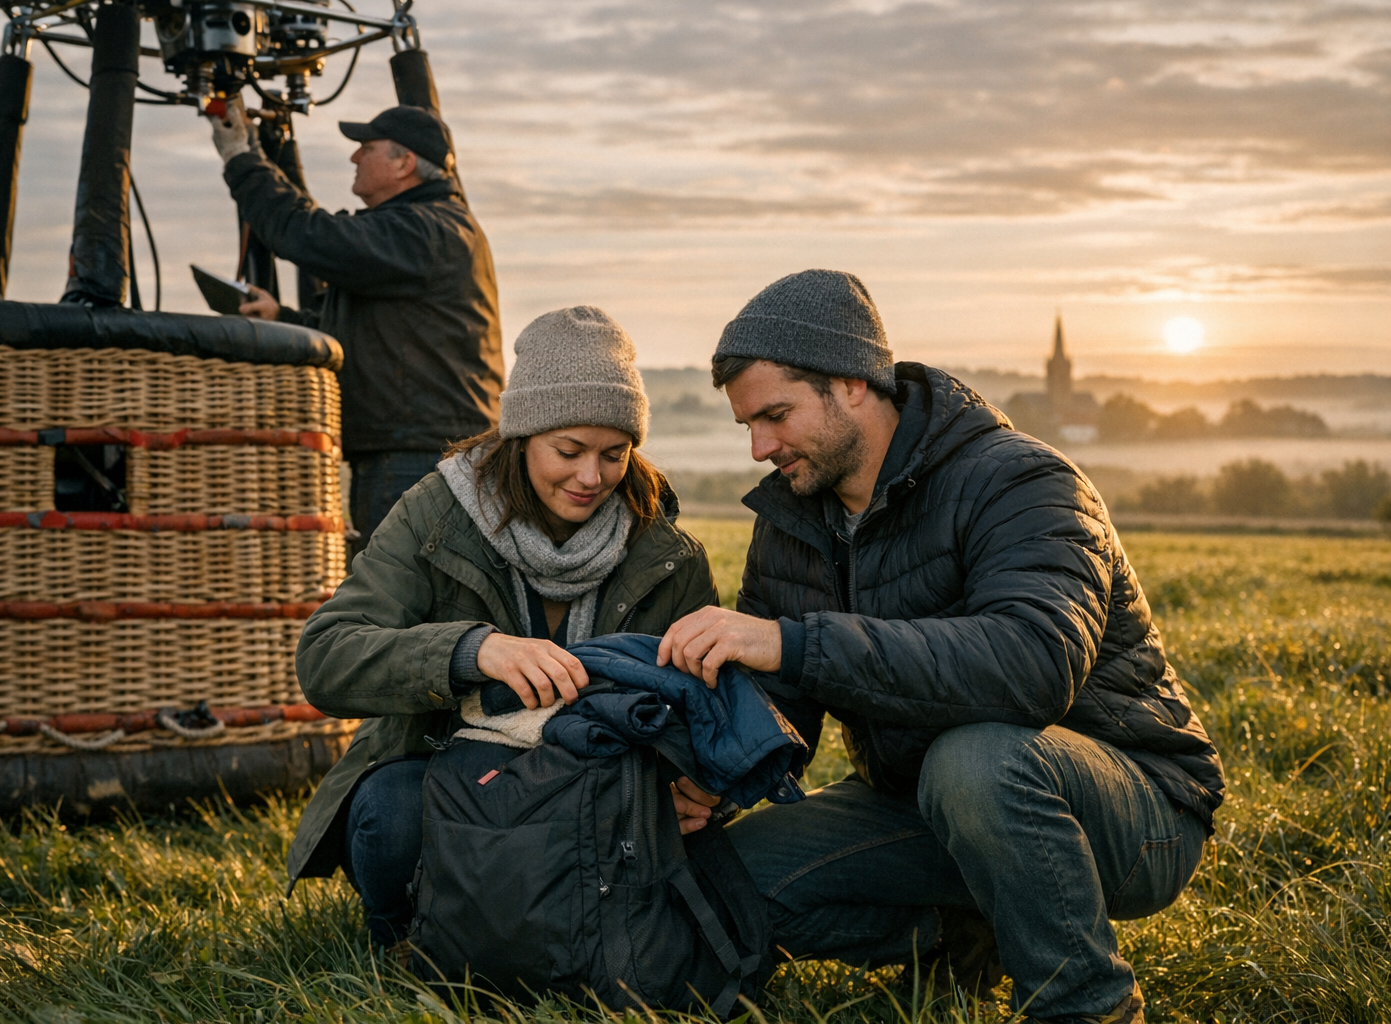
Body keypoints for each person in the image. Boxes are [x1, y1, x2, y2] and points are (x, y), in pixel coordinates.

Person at [656, 270, 1225, 1024]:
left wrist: (794, 643)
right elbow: (784, 697)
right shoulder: (793, 518)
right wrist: (711, 781)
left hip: (1130, 810)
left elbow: (1032, 665)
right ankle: (962, 938)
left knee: (976, 761)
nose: (761, 447)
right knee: (724, 883)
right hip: (920, 805)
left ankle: (1087, 1005)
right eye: (747, 427)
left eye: (776, 415)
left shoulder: (1022, 480)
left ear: (853, 383)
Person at [285, 305, 721, 946]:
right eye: (567, 451)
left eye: (614, 453)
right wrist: (470, 653)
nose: (590, 477)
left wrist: (697, 787)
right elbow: (325, 657)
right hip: (451, 781)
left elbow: (707, 705)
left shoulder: (666, 551)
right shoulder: (434, 514)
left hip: (595, 797)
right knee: (390, 816)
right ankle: (412, 936)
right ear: (520, 436)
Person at [210, 103, 504, 544]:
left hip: (418, 456)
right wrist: (284, 318)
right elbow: (380, 331)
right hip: (420, 450)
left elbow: (309, 235)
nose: (354, 158)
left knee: (400, 604)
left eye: (366, 148)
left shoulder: (424, 231)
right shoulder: (427, 229)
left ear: (404, 163)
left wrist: (240, 158)